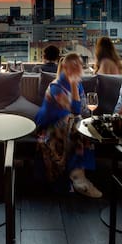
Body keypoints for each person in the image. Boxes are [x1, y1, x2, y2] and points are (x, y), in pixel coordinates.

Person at [35, 52, 102, 198]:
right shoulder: (56, 87)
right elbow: (75, 110)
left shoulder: (78, 85)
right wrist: (73, 84)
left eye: (79, 65)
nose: (79, 68)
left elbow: (82, 109)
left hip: (68, 124)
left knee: (83, 128)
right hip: (48, 126)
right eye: (75, 65)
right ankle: (78, 179)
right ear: (66, 67)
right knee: (76, 127)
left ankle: (79, 177)